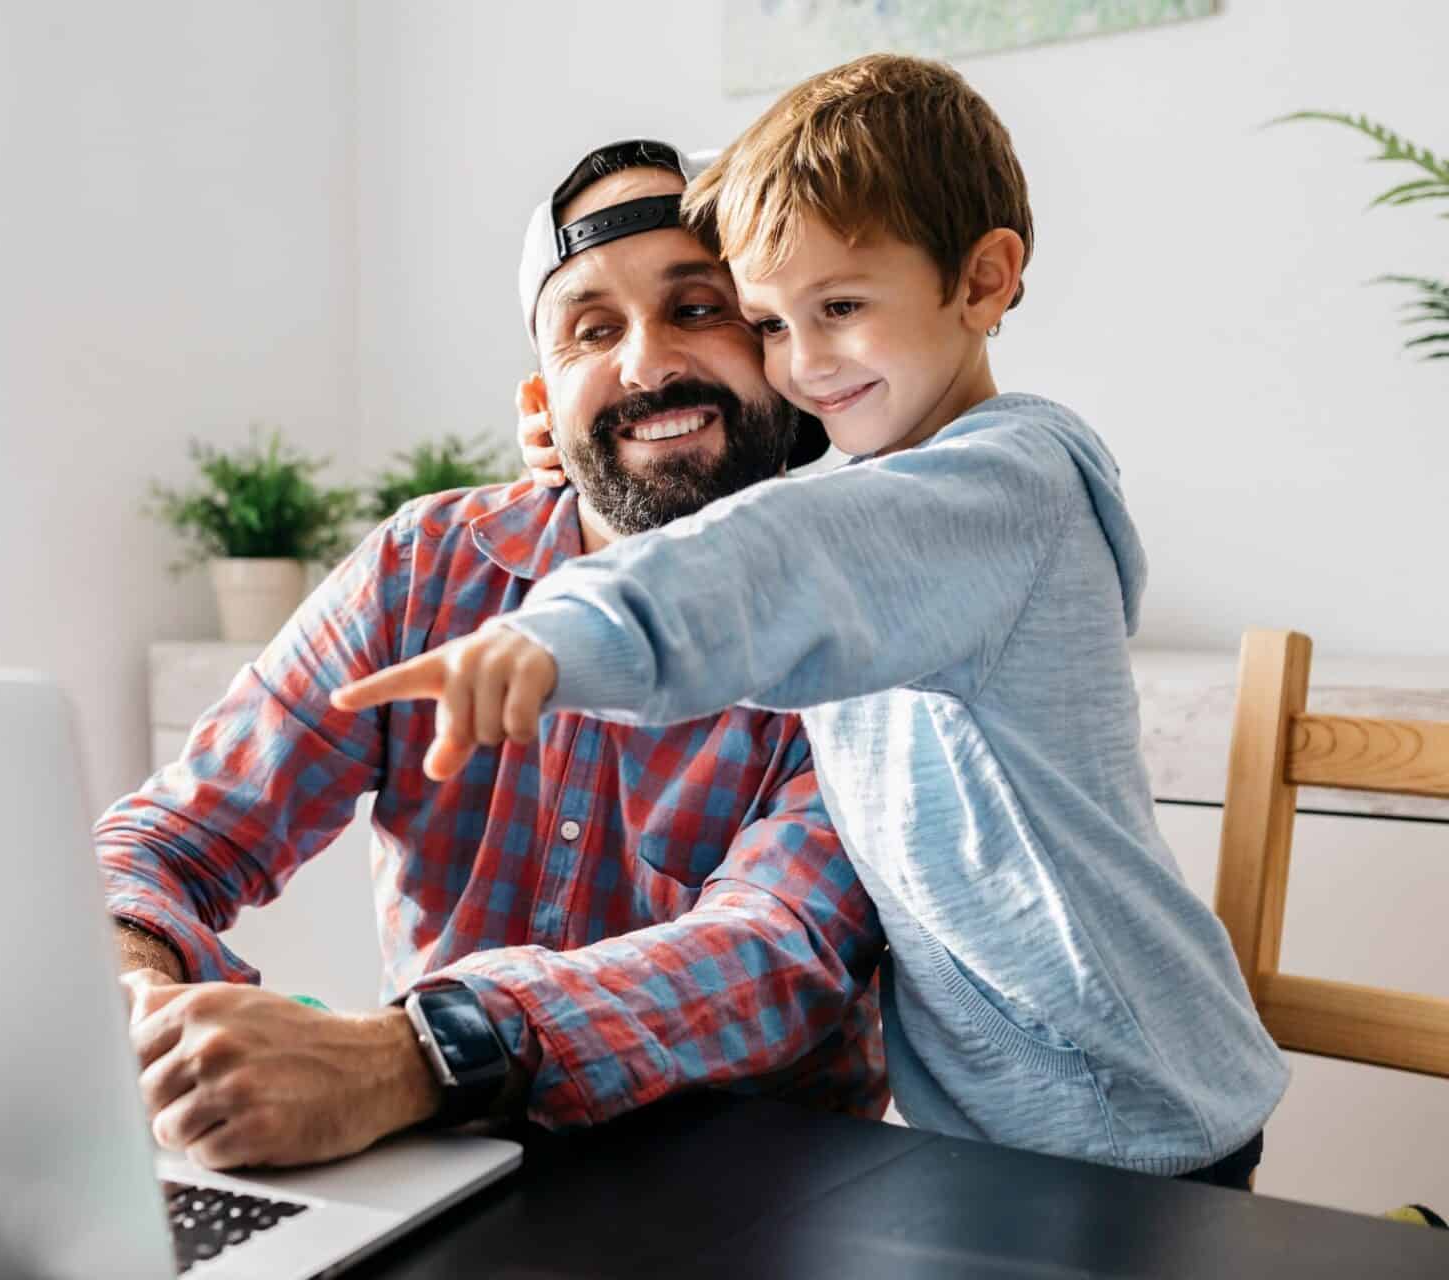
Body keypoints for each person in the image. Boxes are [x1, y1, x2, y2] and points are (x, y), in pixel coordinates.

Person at [334, 56, 1287, 1189]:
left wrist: (557, 630)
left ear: (983, 281)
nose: (805, 364)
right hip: (986, 1117)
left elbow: (793, 551)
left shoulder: (1005, 484)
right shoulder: (894, 483)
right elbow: (790, 507)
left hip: (1129, 1114)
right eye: (771, 325)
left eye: (840, 308)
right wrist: (596, 457)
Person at [101, 138, 885, 1172]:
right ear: (540, 405)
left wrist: (408, 1056)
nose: (646, 363)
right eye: (592, 328)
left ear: (785, 355)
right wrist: (141, 1005)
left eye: (698, 308)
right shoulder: (425, 569)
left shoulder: (867, 611)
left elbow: (779, 946)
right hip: (443, 1177)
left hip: (758, 1208)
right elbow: (163, 843)